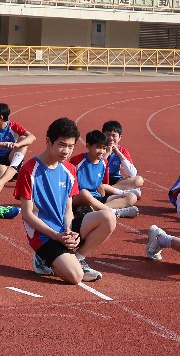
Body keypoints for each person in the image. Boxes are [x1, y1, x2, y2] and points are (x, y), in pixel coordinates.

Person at [16, 117, 116, 283]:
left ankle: (77, 259)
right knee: (75, 277)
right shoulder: (29, 170)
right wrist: (56, 236)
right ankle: (42, 260)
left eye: (71, 146)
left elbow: (68, 209)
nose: (66, 151)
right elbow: (27, 215)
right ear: (48, 142)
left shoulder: (69, 169)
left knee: (108, 217)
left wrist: (69, 231)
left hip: (63, 230)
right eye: (62, 145)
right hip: (44, 236)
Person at [69, 130, 141, 218]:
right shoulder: (77, 161)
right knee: (84, 193)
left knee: (131, 197)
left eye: (104, 148)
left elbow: (103, 185)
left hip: (96, 197)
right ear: (88, 146)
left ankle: (93, 210)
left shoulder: (104, 162)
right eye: (98, 147)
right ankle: (114, 212)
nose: (102, 151)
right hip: (80, 197)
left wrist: (103, 195)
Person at [0, 102, 35, 169]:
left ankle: (13, 168)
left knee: (23, 139)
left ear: (0, 117)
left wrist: (17, 144)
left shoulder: (13, 126)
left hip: (9, 157)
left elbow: (32, 137)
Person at [100, 120, 145, 191]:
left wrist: (119, 153)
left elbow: (132, 173)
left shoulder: (123, 151)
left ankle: (108, 190)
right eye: (108, 135)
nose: (111, 138)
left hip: (116, 181)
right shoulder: (98, 149)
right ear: (103, 136)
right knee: (134, 193)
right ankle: (114, 191)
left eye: (114, 136)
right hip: (100, 179)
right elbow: (96, 168)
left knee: (139, 180)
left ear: (120, 137)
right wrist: (107, 154)